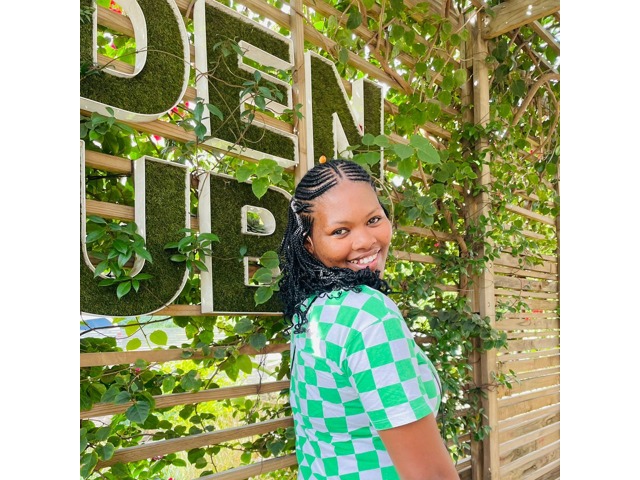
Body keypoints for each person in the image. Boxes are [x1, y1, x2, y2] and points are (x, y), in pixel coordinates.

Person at [278, 158, 460, 480]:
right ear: (309, 244)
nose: (365, 241)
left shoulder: (313, 309)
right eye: (340, 230)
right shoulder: (369, 316)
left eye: (373, 219)